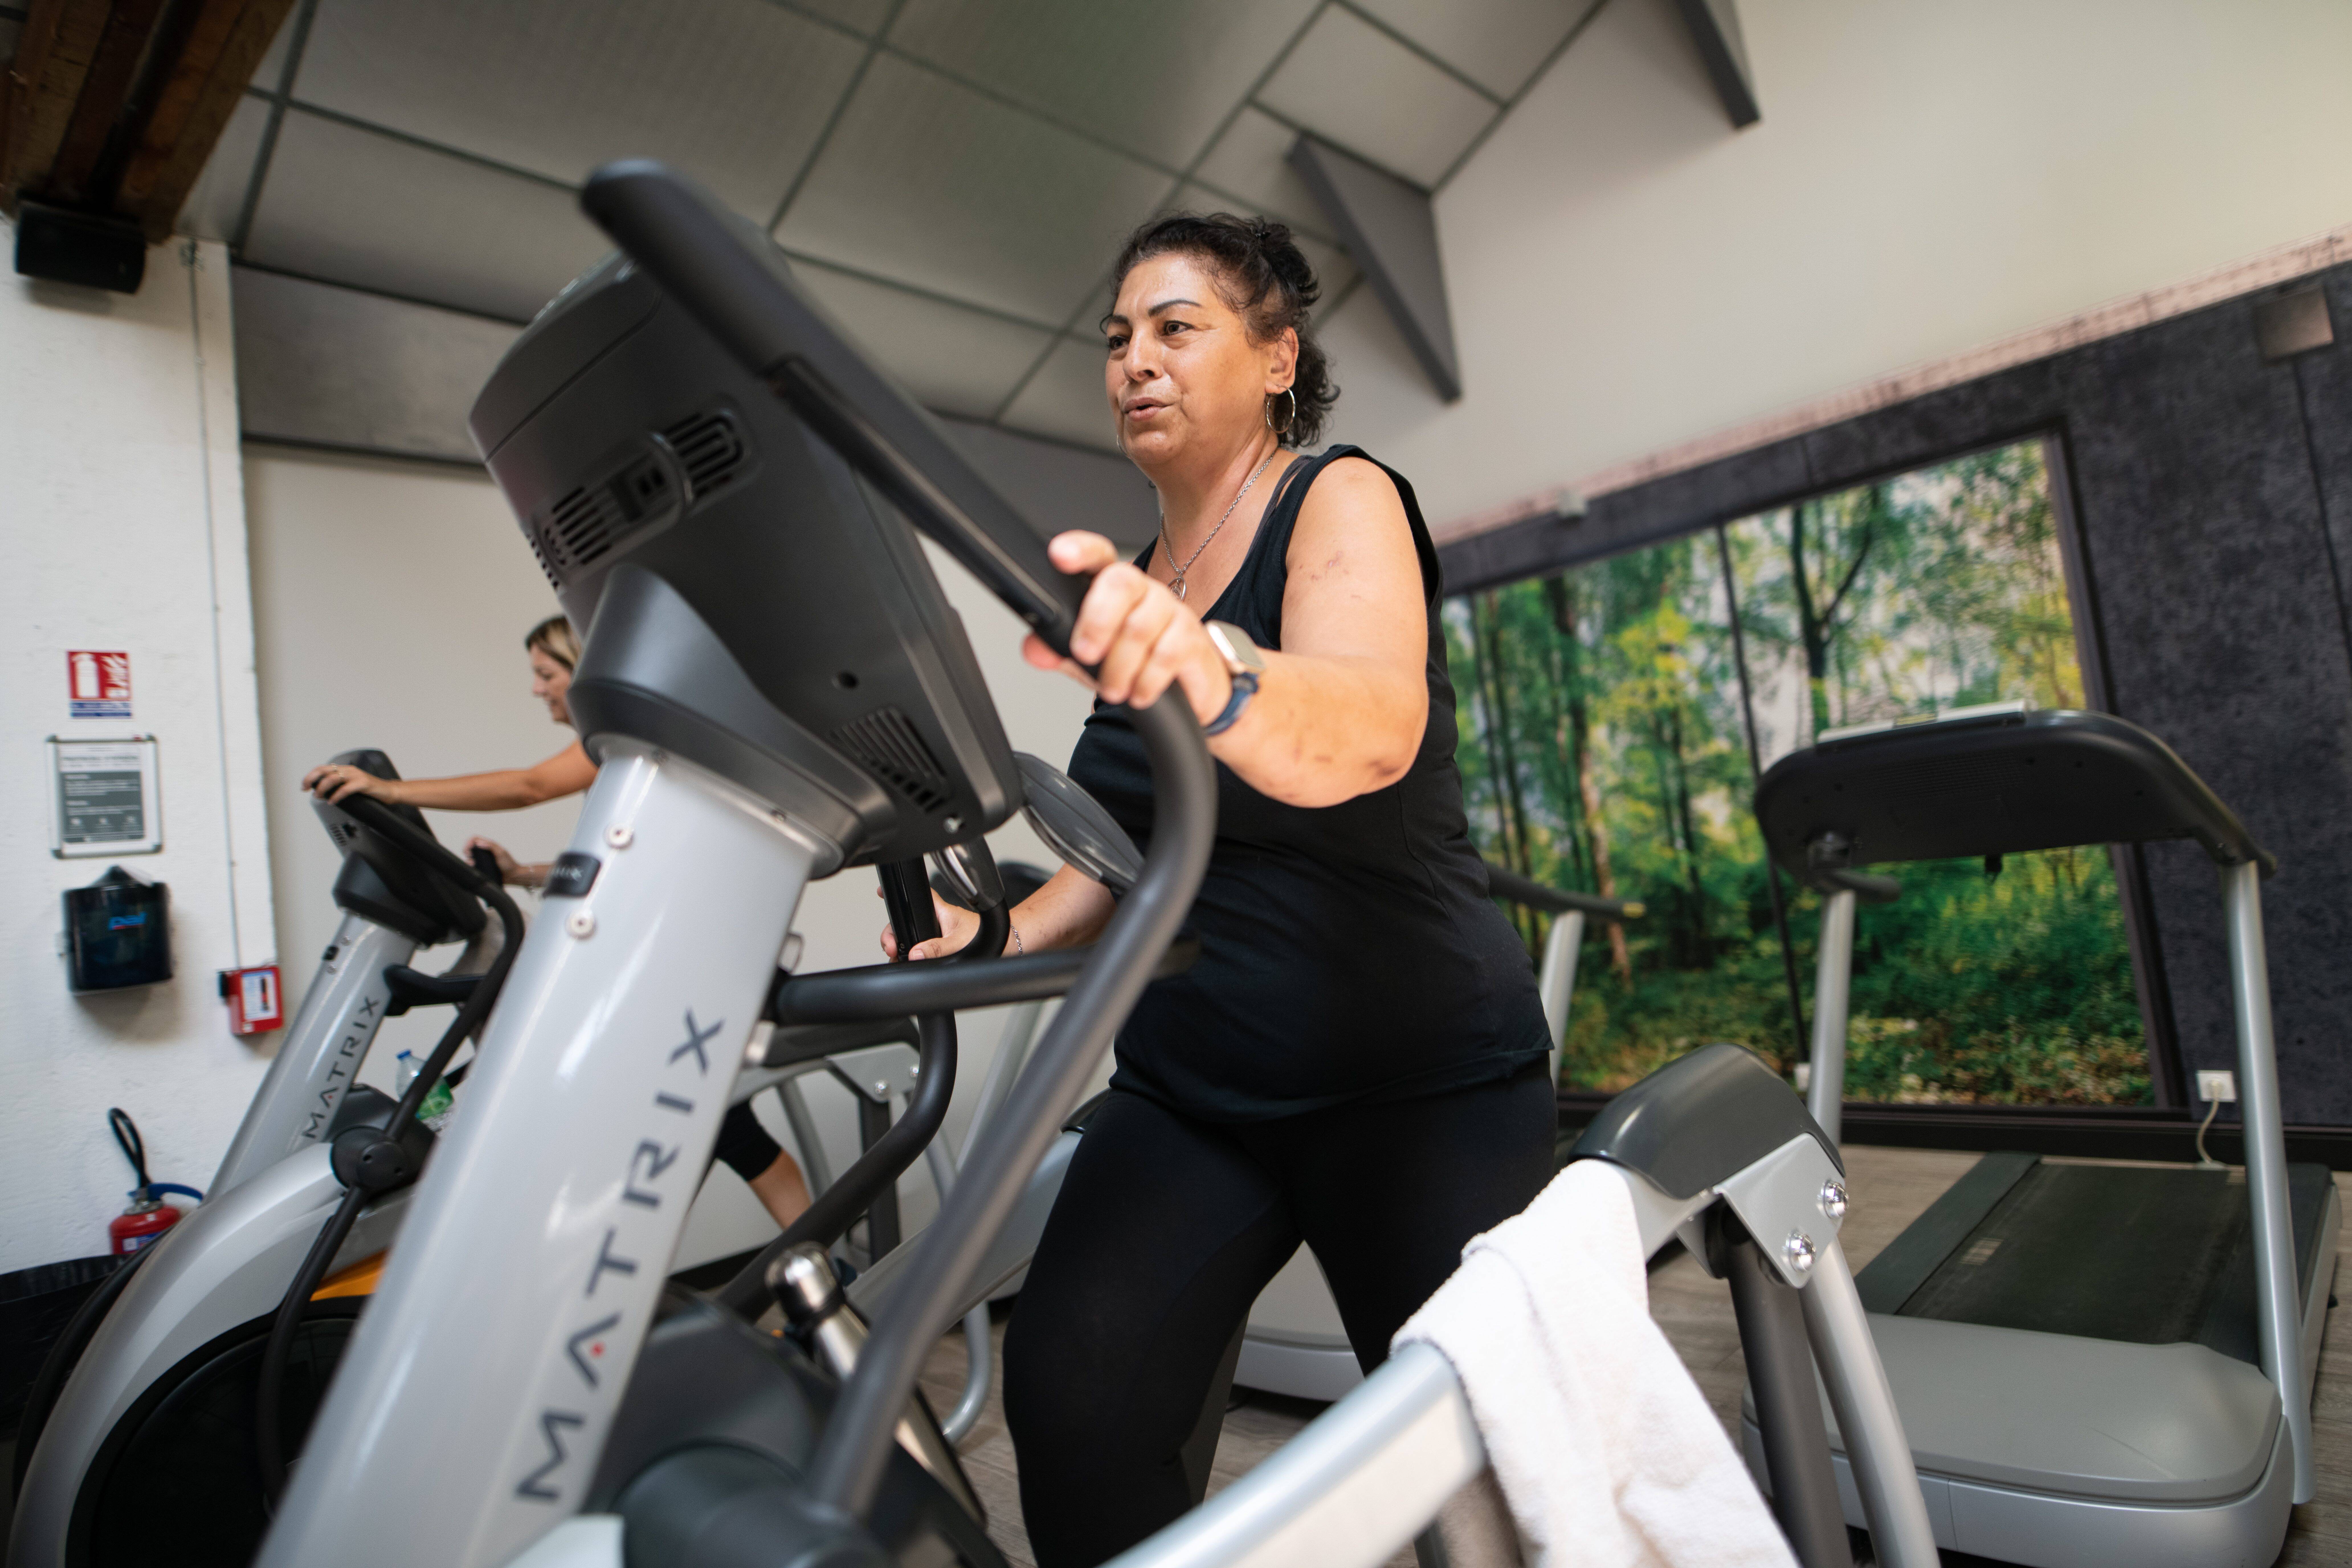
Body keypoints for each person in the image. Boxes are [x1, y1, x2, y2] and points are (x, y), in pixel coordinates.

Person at [885, 214, 1557, 1566]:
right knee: (1072, 1405)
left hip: (1415, 1081)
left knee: (1484, 1478)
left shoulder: (1338, 498)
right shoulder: (1136, 588)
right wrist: (987, 932)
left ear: (1273, 357)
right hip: (1197, 1093)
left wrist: (1207, 669)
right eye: (1117, 337)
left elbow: (1364, 728)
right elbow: (1113, 865)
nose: (1133, 359)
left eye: (1174, 327)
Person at [304, 615, 814, 1229]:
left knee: (720, 1132)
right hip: (682, 961)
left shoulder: (621, 733)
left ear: (582, 673)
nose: (538, 689)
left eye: (547, 674)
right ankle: (825, 1281)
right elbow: (623, 866)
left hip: (694, 965)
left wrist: (389, 792)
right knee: (733, 1137)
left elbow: (529, 785)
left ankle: (826, 1286)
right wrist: (521, 874)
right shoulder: (625, 757)